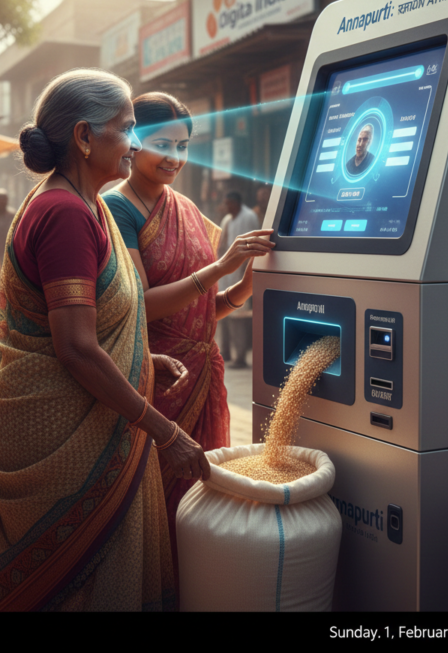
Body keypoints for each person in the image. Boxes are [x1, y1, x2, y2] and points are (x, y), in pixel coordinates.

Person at [0, 69, 209, 612]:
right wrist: (164, 431)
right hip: (60, 439)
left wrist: (143, 356)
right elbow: (74, 348)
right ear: (83, 137)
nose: (137, 144)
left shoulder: (83, 202)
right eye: (126, 129)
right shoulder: (65, 213)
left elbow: (93, 323)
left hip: (80, 418)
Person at [102, 92, 274, 578]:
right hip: (155, 381)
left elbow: (201, 312)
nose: (175, 158)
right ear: (133, 142)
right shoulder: (118, 210)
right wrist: (222, 265)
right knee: (153, 505)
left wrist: (243, 287)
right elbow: (140, 306)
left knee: (200, 506)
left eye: (184, 145)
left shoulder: (187, 209)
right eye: (162, 143)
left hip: (203, 373)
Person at [218, 191, 260, 368]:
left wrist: (245, 274)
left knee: (239, 317)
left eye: (230, 203)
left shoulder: (249, 217)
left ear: (237, 203)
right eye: (226, 203)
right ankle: (225, 353)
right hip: (225, 275)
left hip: (241, 274)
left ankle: (240, 357)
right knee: (223, 316)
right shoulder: (227, 219)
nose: (227, 207)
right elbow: (222, 244)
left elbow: (253, 245)